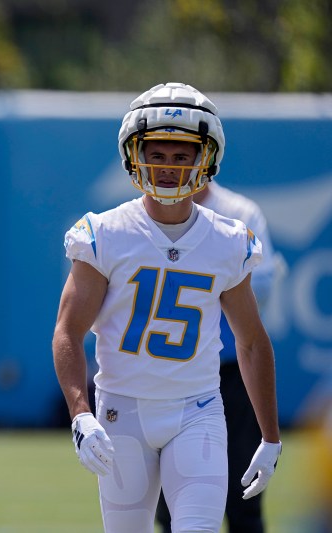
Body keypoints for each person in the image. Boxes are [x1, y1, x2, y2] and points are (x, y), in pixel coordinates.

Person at [51, 82, 281, 532]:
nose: (168, 168)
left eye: (182, 156)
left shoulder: (229, 239)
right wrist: (81, 414)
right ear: (134, 155)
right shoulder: (105, 233)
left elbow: (252, 342)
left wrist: (270, 436)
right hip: (121, 411)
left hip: (197, 410)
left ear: (205, 159)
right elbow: (67, 332)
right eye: (156, 154)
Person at [155, 181, 279, 531]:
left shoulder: (240, 213)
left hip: (229, 367)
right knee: (170, 498)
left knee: (244, 483)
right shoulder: (142, 215)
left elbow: (263, 287)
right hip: (172, 372)